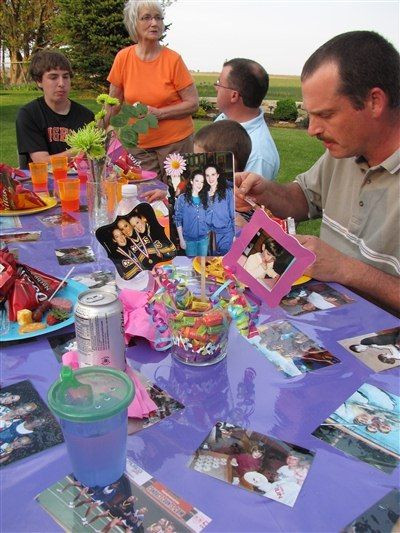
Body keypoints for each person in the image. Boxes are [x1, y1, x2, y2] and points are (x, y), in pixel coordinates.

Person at [236, 31, 400, 315]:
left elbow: (346, 270)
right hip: (324, 321)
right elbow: (302, 199)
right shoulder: (344, 151)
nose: (312, 129)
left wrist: (346, 269)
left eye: (326, 115)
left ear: (375, 101)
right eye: (310, 115)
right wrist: (265, 190)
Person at [106, 0, 198, 199]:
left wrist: (160, 113)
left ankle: (177, 231)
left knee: (178, 196)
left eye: (158, 18)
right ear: (134, 23)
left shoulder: (173, 60)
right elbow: (113, 103)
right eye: (146, 18)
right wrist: (98, 132)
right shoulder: (123, 58)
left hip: (176, 143)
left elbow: (193, 103)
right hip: (138, 145)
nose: (154, 23)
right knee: (143, 196)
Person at [16, 50, 94, 169]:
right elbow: (41, 162)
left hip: (78, 182)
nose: (61, 83)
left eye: (66, 77)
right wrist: (80, 149)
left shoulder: (86, 116)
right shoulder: (29, 114)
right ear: (39, 81)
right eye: (53, 77)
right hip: (42, 183)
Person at [214, 58, 280, 180]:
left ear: (234, 95)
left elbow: (248, 198)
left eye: (219, 83)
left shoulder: (258, 154)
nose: (216, 88)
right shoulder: (223, 119)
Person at [174, 169, 210, 256]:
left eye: (202, 182)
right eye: (197, 181)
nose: (199, 184)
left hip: (204, 239)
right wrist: (181, 239)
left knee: (202, 265)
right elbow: (177, 219)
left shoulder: (206, 198)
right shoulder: (182, 198)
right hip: (189, 240)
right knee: (192, 265)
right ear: (191, 181)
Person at [204, 164, 235, 255]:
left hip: (226, 234)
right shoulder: (203, 194)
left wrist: (234, 234)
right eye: (207, 175)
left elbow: (232, 213)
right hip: (210, 236)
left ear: (218, 175)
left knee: (225, 261)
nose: (210, 178)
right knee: (212, 263)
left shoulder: (227, 191)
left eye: (213, 174)